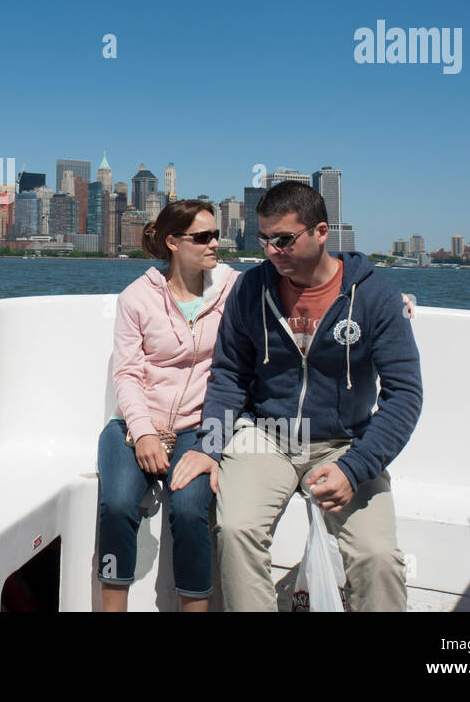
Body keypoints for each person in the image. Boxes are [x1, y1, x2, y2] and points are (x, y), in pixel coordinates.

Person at [171, 181, 423, 611]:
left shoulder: (376, 297)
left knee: (377, 557)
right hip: (266, 436)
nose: (272, 251)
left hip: (345, 443)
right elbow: (230, 375)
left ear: (321, 231)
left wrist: (355, 468)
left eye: (284, 239)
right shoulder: (251, 290)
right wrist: (211, 447)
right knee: (236, 531)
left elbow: (404, 396)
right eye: (265, 239)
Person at [97, 199, 238, 612]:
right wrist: (141, 432)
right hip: (135, 423)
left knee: (192, 509)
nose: (215, 244)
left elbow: (297, 279)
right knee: (117, 503)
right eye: (204, 237)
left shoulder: (233, 288)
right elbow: (126, 374)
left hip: (199, 426)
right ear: (173, 242)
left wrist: (387, 300)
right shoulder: (136, 298)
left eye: (217, 235)